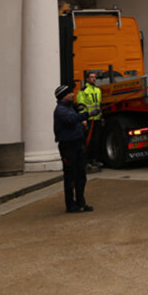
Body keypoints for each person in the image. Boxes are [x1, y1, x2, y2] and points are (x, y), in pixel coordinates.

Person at [53, 84, 93, 213]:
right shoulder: (61, 110)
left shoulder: (69, 108)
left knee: (81, 175)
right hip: (68, 146)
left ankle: (81, 203)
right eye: (70, 93)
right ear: (63, 96)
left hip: (77, 144)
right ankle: (70, 205)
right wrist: (87, 114)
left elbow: (74, 121)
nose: (73, 94)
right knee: (70, 176)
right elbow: (71, 119)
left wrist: (82, 124)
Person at [76, 70, 103, 168]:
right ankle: (86, 161)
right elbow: (81, 106)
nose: (94, 79)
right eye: (91, 77)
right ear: (87, 79)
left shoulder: (98, 90)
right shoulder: (83, 91)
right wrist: (83, 119)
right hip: (88, 119)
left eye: (94, 77)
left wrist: (101, 117)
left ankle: (94, 160)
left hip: (97, 119)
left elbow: (99, 105)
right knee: (87, 141)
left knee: (96, 140)